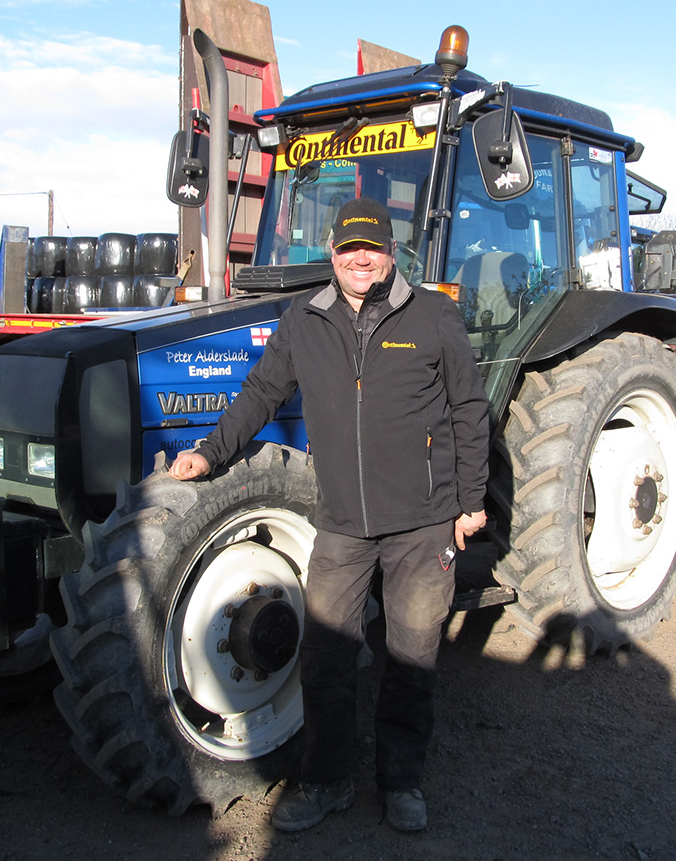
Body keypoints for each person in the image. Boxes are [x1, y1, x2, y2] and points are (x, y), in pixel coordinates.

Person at [169, 197, 489, 833]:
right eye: (348, 249)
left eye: (371, 247)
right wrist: (210, 452)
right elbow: (262, 391)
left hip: (423, 523)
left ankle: (401, 782)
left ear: (390, 252)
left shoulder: (433, 315)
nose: (360, 259)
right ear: (333, 256)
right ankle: (327, 780)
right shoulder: (306, 319)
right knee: (325, 659)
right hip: (341, 523)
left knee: (412, 656)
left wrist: (471, 501)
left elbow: (469, 408)